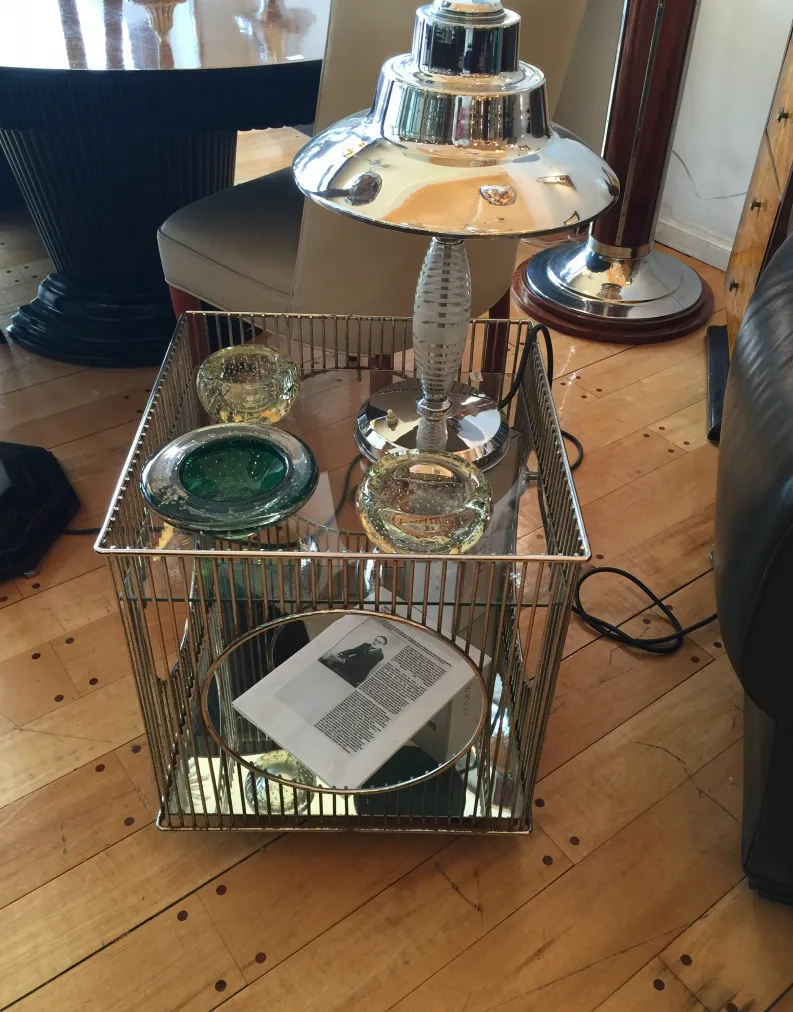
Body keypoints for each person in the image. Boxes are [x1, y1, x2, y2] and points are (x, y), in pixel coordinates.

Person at [321, 635, 387, 688]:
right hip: (349, 663)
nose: (375, 642)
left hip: (357, 672)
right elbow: (352, 651)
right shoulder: (366, 645)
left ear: (383, 646)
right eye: (375, 640)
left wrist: (342, 659)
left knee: (335, 661)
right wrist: (340, 654)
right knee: (331, 660)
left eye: (379, 642)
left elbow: (361, 664)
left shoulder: (379, 655)